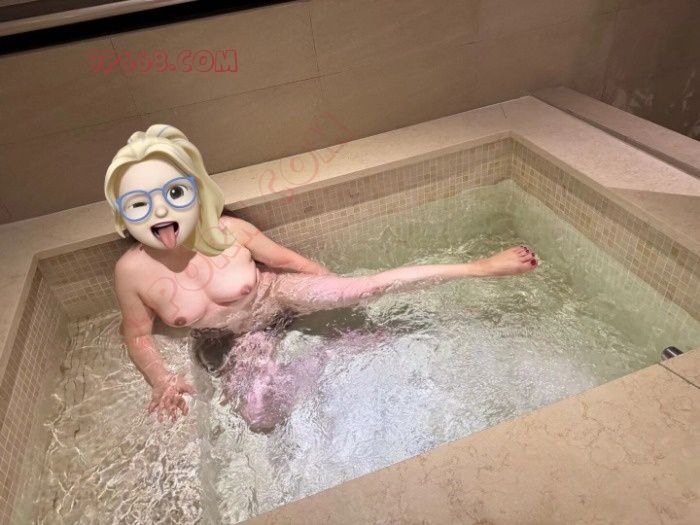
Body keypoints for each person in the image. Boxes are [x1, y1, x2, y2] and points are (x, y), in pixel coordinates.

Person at [105, 124, 538, 431]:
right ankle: (328, 354)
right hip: (234, 340)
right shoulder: (132, 272)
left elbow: (291, 262)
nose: (159, 212)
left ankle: (479, 268)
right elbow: (137, 334)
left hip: (275, 296)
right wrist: (161, 379)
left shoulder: (229, 232)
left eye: (173, 194)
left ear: (195, 191)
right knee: (259, 417)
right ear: (123, 212)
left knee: (366, 287)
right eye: (140, 203)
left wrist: (336, 289)